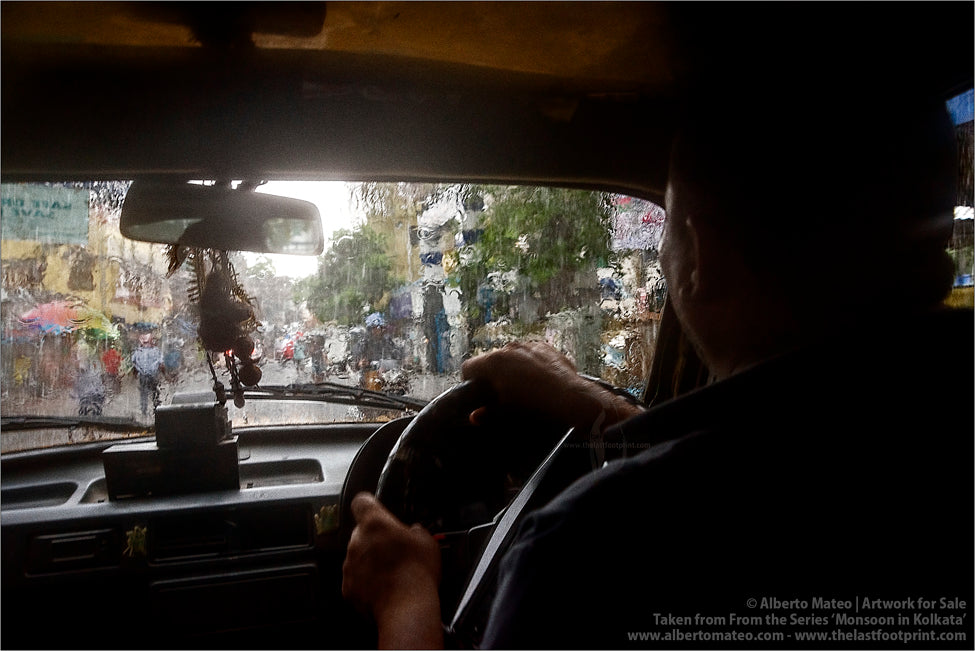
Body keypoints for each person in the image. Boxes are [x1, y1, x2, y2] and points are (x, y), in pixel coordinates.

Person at [341, 76, 973, 651]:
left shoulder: (594, 551)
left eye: (668, 224)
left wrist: (404, 596)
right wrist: (609, 414)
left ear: (693, 252)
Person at [131, 333, 164, 417]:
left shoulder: (139, 351)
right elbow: (161, 364)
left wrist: (134, 375)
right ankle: (151, 409)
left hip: (149, 375)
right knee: (149, 393)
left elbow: (134, 363)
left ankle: (148, 410)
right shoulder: (141, 351)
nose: (146, 344)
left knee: (147, 393)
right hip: (148, 375)